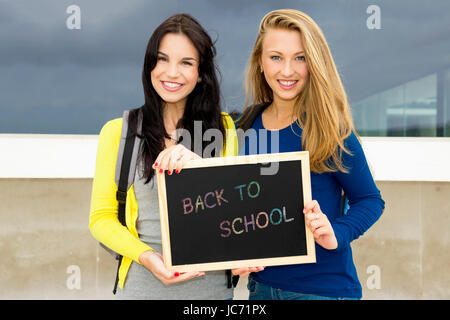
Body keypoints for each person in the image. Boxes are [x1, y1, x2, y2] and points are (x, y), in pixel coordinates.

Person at [233, 9, 385, 300]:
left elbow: (370, 200)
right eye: (276, 57)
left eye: (299, 58)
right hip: (260, 289)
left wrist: (335, 234)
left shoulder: (330, 130)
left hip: (322, 291)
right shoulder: (244, 126)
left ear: (314, 63)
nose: (287, 70)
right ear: (260, 63)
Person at [89, 13, 238, 299]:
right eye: (162, 59)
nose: (171, 72)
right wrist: (146, 257)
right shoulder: (119, 132)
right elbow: (101, 219)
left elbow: (235, 209)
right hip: (141, 289)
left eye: (186, 63)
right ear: (149, 66)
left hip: (213, 294)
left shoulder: (226, 129)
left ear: (201, 73)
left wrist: (202, 169)